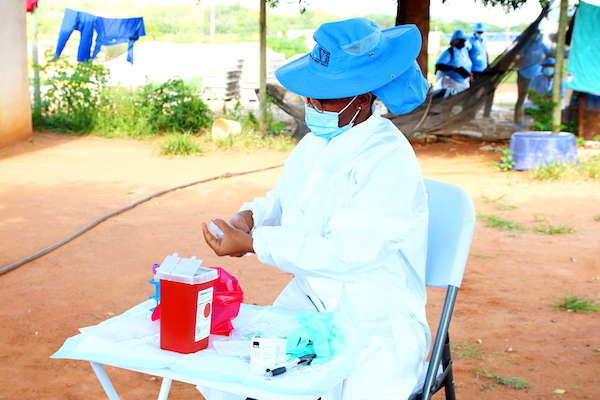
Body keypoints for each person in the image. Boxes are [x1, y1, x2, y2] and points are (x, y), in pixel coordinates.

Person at [201, 17, 431, 400]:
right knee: (239, 373)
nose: (311, 104)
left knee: (352, 389)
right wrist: (250, 217)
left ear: (362, 98)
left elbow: (345, 254)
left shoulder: (389, 159)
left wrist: (255, 244)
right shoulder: (317, 143)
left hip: (374, 312)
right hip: (310, 300)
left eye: (323, 98)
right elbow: (285, 199)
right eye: (310, 94)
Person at [514, 28, 551, 127]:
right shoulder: (525, 44)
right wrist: (518, 62)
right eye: (535, 33)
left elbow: (549, 53)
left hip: (536, 76)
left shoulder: (541, 45)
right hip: (523, 74)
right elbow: (514, 54)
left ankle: (535, 121)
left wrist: (544, 63)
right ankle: (517, 119)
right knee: (521, 97)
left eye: (538, 33)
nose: (537, 35)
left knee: (536, 97)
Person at [434, 29, 473, 93]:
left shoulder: (464, 50)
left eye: (464, 41)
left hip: (463, 80)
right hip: (451, 81)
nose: (463, 43)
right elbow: (439, 66)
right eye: (461, 41)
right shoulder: (449, 52)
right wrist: (453, 68)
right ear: (456, 41)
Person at [468, 22, 494, 117]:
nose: (480, 33)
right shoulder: (470, 41)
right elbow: (468, 54)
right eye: (479, 31)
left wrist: (488, 64)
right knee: (474, 93)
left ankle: (487, 113)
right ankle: (471, 114)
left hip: (484, 70)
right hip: (474, 70)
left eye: (482, 31)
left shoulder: (484, 39)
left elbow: (485, 52)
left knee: (490, 89)